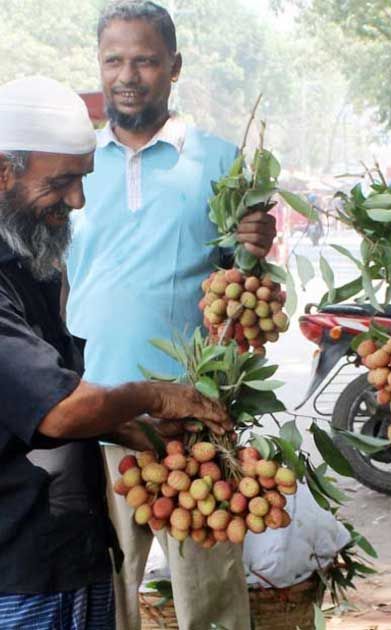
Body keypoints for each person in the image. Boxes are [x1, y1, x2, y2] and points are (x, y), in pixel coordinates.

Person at [63, 3, 276, 629]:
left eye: (146, 60)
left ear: (174, 67)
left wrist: (254, 249)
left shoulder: (215, 161)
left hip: (191, 415)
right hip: (95, 412)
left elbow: (244, 292)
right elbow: (53, 283)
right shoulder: (74, 161)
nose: (128, 75)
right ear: (100, 66)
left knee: (208, 594)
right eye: (115, 60)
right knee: (107, 589)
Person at [0, 75, 231, 629]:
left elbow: (36, 399)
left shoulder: (29, 262)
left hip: (69, 552)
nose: (77, 201)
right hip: (21, 572)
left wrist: (124, 427)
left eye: (83, 180)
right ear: (3, 173)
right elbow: (55, 409)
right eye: (61, 183)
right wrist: (153, 395)